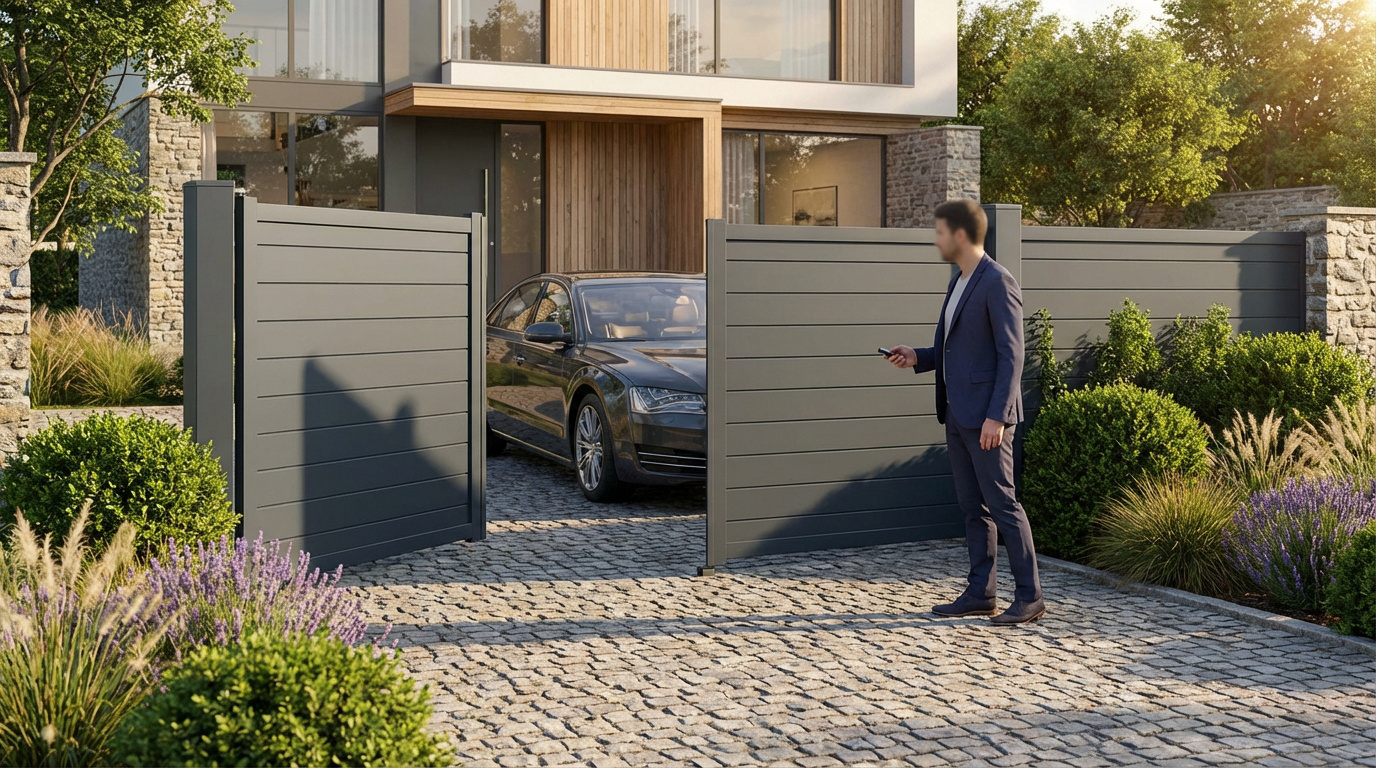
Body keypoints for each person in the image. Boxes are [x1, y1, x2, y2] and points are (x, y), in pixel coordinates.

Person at [885, 199, 1045, 625]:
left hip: (987, 418)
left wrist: (998, 416)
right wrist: (916, 356)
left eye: (939, 232)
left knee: (1003, 503)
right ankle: (981, 593)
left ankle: (1030, 596)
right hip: (957, 414)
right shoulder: (959, 281)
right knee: (972, 507)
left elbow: (1011, 355)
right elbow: (955, 349)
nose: (936, 240)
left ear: (960, 235)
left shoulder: (998, 282)